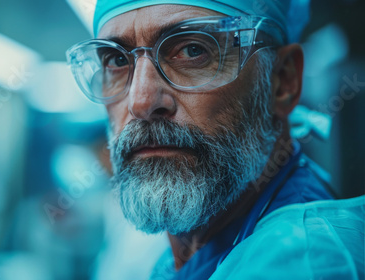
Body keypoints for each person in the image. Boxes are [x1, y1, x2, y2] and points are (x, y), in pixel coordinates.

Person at [66, 0, 365, 279]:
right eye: (117, 60)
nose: (141, 102)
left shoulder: (304, 262)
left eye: (193, 50)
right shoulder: (188, 255)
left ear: (282, 81)